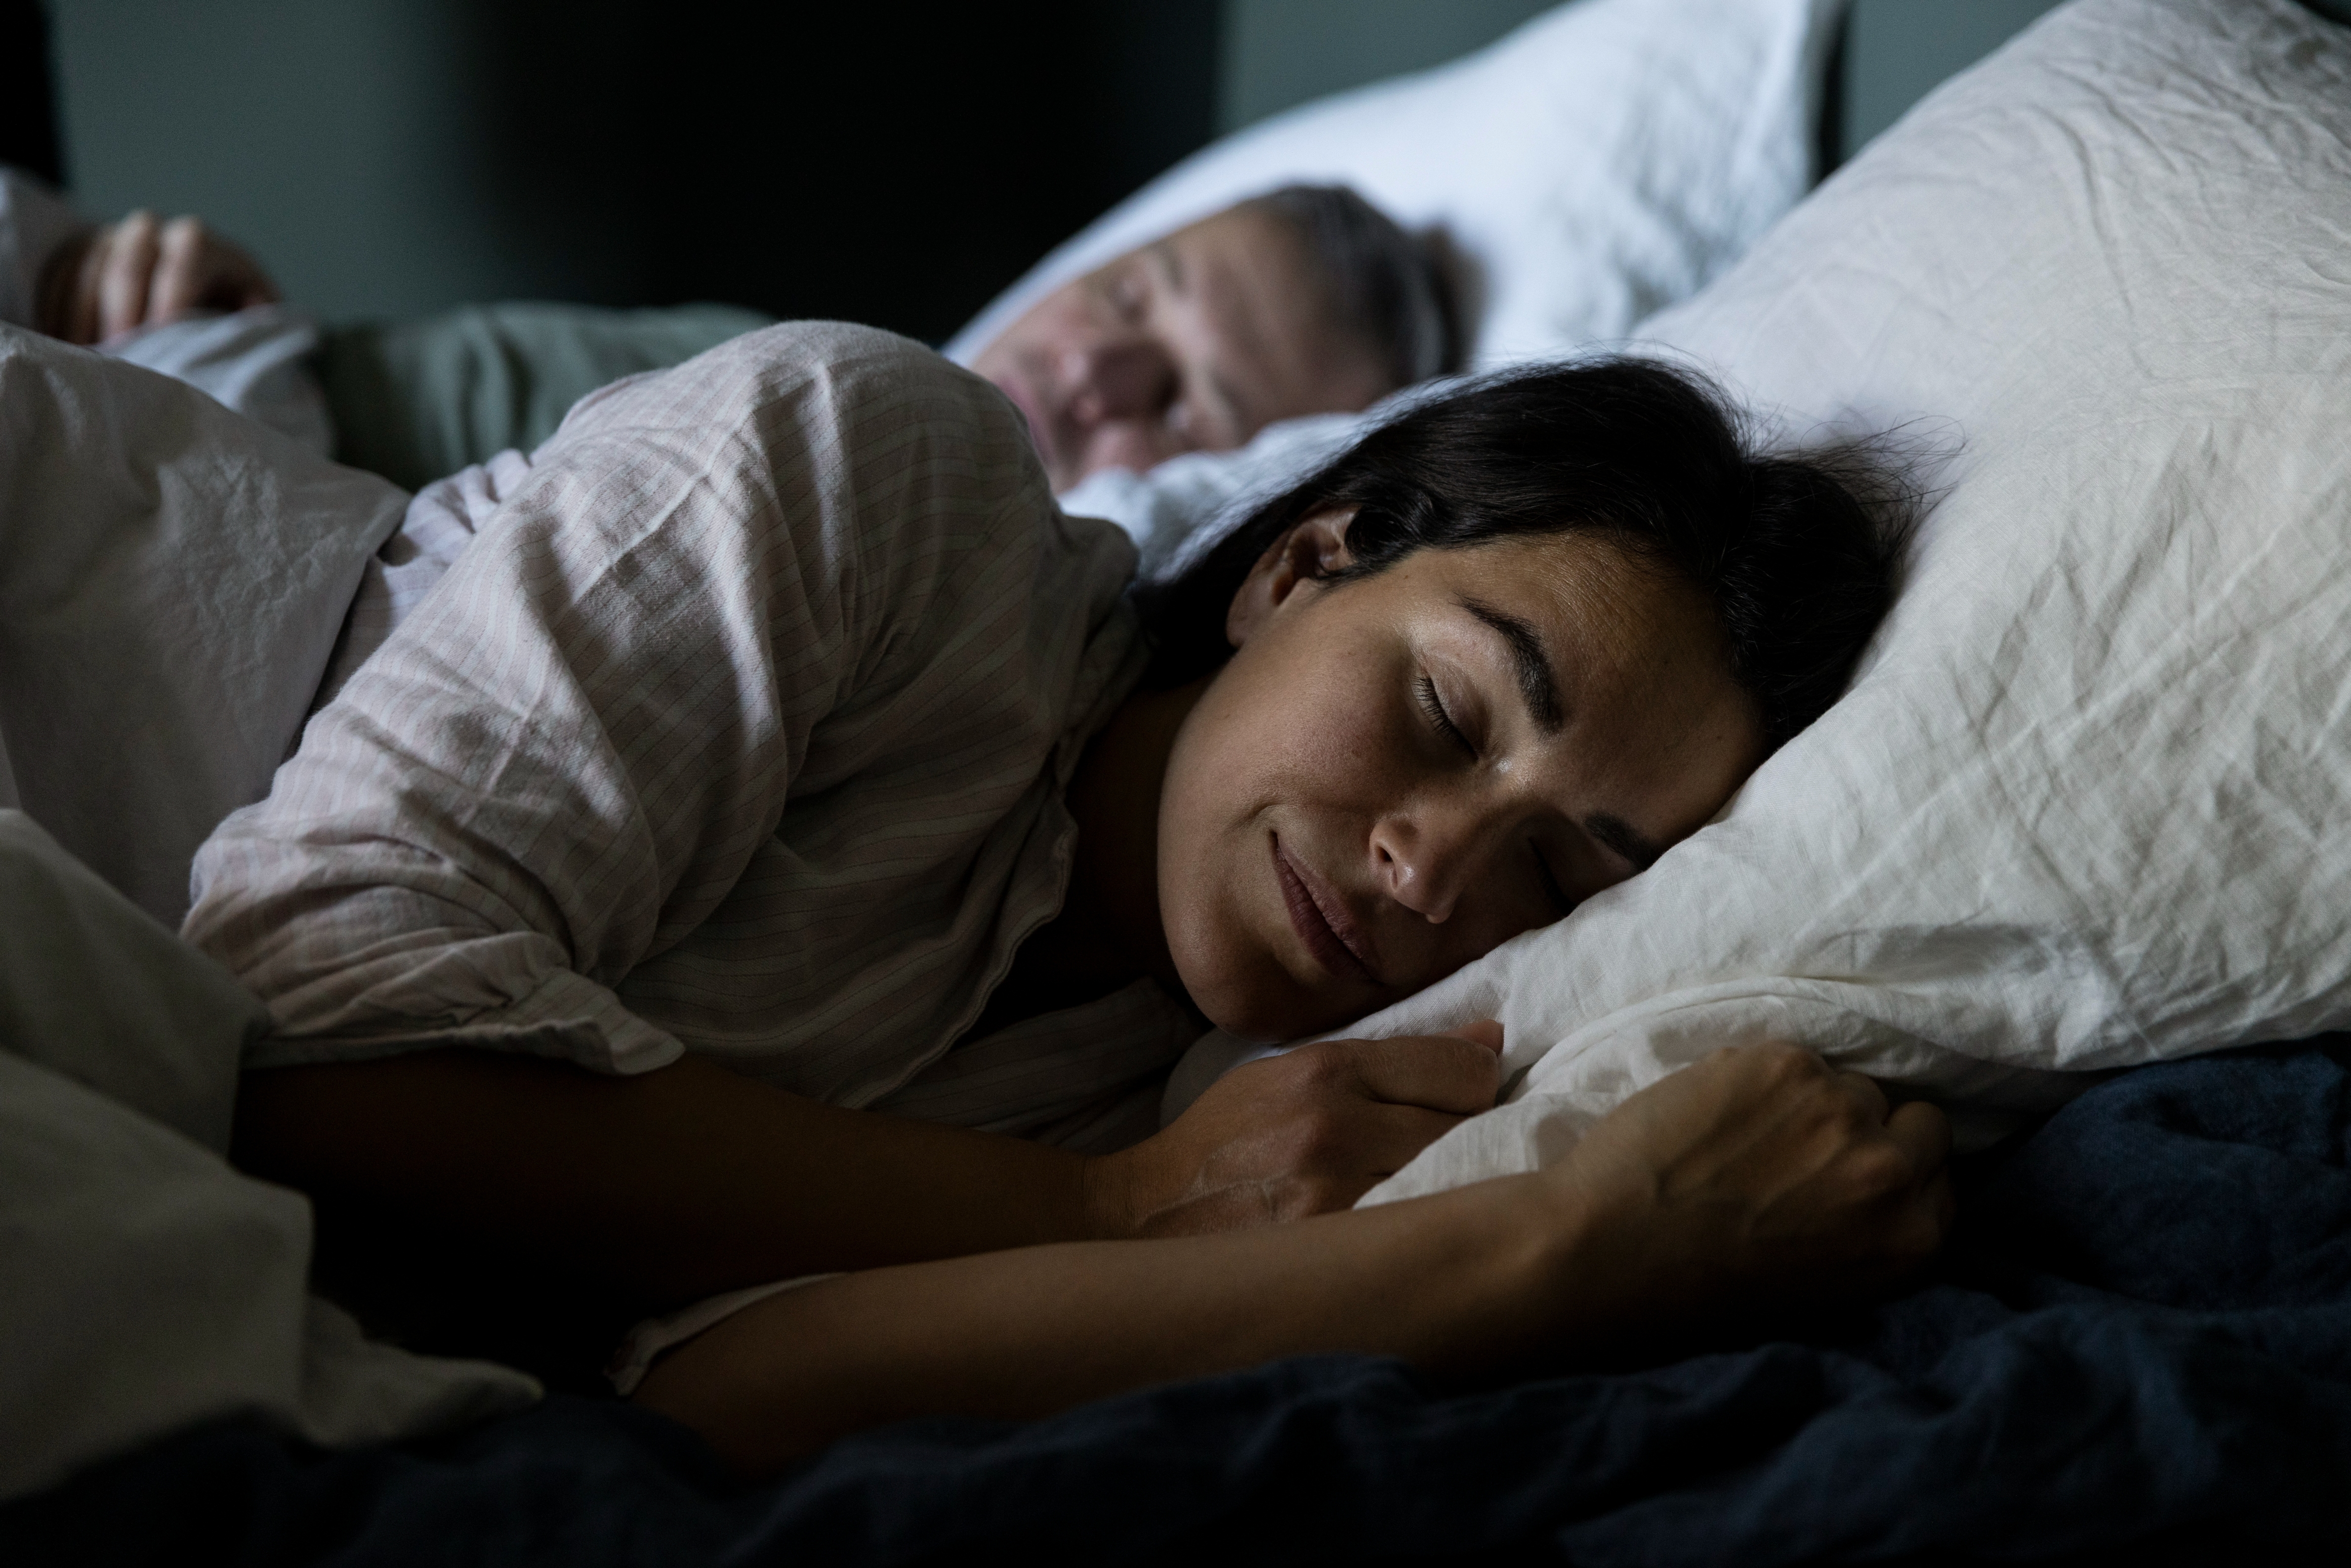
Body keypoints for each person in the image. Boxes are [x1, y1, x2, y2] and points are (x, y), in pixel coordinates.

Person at [184, 321, 1948, 1475]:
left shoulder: (1214, 1091)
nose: (1437, 867)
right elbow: (322, 1025)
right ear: (1301, 562)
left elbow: (699, 1409)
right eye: (1446, 713)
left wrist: (1519, 1247)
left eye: (1564, 869)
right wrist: (1116, 1215)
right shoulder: (887, 485)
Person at [0, 164, 1455, 491]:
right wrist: (180, 298)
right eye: (1130, 297)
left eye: (1188, 405)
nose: (1086, 371)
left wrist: (190, 376)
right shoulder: (755, 341)